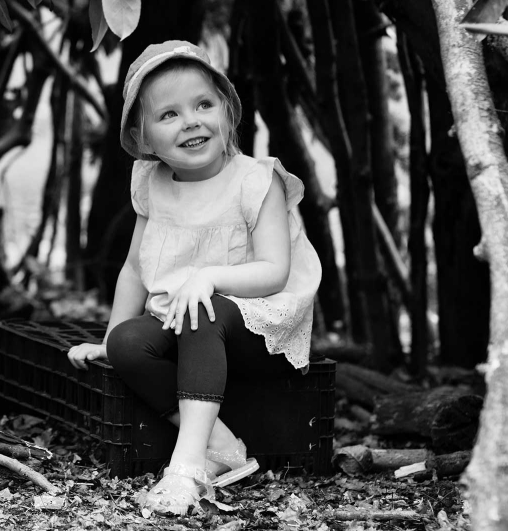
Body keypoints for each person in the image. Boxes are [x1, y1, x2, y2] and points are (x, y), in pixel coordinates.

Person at [67, 41, 322, 516]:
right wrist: (109, 340)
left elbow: (274, 272)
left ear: (226, 111)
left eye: (203, 105)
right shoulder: (151, 182)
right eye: (169, 114)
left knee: (201, 311)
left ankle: (186, 468)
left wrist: (209, 277)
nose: (190, 121)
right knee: (128, 344)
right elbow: (134, 268)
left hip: (258, 324)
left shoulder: (256, 180)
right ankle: (221, 447)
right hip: (186, 318)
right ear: (143, 137)